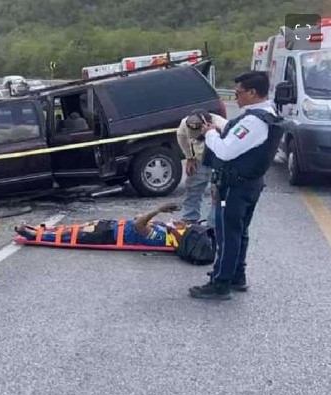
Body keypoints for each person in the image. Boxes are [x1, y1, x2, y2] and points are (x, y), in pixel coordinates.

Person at [189, 71, 283, 300]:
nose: (235, 97)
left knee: (226, 233)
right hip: (247, 185)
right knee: (239, 231)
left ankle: (221, 282)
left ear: (252, 92)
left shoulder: (253, 121)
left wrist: (211, 133)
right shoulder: (268, 114)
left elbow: (225, 150)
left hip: (233, 189)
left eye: (239, 92)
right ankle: (237, 275)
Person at [15, 203, 191, 249]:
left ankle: (31, 234)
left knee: (69, 236)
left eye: (182, 225)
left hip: (109, 234)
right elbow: (138, 218)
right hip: (111, 226)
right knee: (69, 230)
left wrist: (158, 210)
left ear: (178, 234)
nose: (180, 222)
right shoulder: (164, 230)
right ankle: (36, 229)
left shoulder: (161, 238)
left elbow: (138, 225)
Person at [176, 110, 228, 226]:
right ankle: (189, 218)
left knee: (218, 195)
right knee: (192, 188)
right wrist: (189, 158)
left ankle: (214, 224)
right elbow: (182, 138)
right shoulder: (184, 124)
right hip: (199, 159)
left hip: (220, 162)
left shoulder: (223, 125)